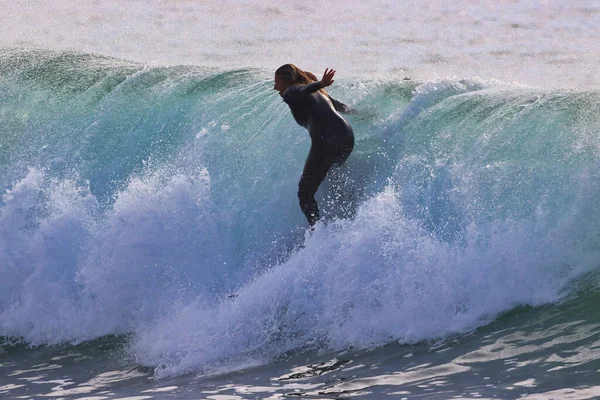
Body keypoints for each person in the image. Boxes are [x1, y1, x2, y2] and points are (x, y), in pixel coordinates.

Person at [274, 64, 354, 226]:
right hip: (346, 137)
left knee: (304, 193)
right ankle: (348, 216)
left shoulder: (292, 91)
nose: (275, 88)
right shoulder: (318, 94)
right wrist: (363, 113)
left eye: (277, 82)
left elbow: (300, 90)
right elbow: (340, 107)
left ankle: (317, 232)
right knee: (332, 174)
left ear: (287, 80)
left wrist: (320, 83)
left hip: (327, 141)